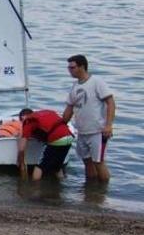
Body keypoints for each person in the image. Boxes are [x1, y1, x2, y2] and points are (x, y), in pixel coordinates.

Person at [62, 54, 115, 182]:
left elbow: (111, 103)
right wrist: (60, 125)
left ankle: (103, 193)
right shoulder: (75, 86)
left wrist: (108, 125)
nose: (69, 70)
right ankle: (90, 192)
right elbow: (69, 108)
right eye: (68, 67)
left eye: (72, 67)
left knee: (98, 162)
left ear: (82, 67)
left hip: (97, 131)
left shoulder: (96, 82)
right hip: (82, 131)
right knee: (87, 162)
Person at [16, 108, 74, 183]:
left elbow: (22, 148)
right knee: (57, 167)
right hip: (68, 137)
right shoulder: (46, 113)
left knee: (39, 167)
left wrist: (19, 159)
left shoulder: (28, 122)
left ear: (22, 118)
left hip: (57, 139)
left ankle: (35, 187)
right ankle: (62, 185)